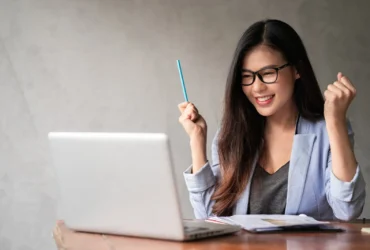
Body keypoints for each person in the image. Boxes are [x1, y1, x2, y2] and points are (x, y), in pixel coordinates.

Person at [178, 19, 366, 221]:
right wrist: (197, 141)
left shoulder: (327, 130)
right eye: (247, 76)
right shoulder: (232, 133)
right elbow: (209, 217)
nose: (257, 88)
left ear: (296, 70)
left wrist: (335, 122)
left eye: (268, 74)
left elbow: (347, 210)